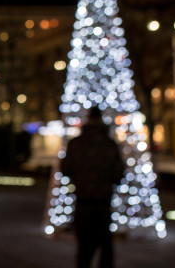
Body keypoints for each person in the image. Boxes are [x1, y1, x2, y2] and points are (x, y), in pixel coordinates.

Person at [61, 106, 125, 268]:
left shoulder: (76, 144)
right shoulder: (109, 144)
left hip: (83, 201)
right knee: (105, 244)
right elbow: (119, 173)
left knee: (84, 246)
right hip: (103, 201)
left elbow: (66, 168)